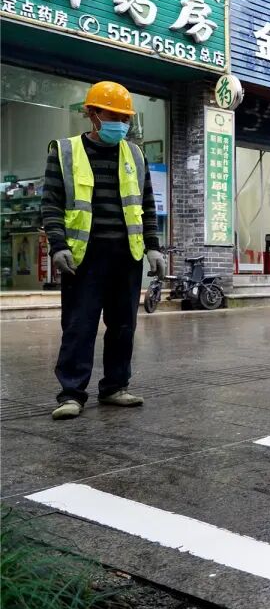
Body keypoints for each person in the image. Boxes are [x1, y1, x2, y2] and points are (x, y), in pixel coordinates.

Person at [44, 81, 167, 420]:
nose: (121, 124)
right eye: (113, 116)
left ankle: (115, 387)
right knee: (79, 326)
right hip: (83, 257)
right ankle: (71, 394)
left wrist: (154, 248)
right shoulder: (65, 151)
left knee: (124, 326)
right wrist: (57, 245)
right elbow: (51, 204)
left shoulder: (135, 155)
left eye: (125, 118)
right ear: (92, 114)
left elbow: (146, 205)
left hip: (127, 256)